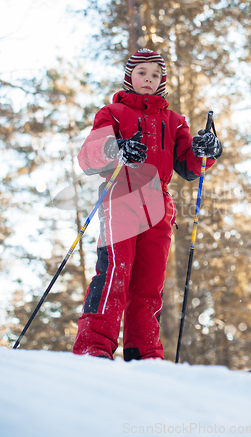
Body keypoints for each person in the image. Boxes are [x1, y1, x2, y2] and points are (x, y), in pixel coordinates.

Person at [73, 48, 222, 361]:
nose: (148, 79)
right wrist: (117, 148)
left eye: (155, 75)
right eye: (142, 73)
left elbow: (189, 167)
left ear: (162, 81)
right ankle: (94, 347)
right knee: (115, 271)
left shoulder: (174, 120)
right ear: (130, 76)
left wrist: (207, 148)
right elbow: (88, 157)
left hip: (159, 204)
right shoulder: (113, 113)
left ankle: (144, 354)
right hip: (121, 195)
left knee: (149, 283)